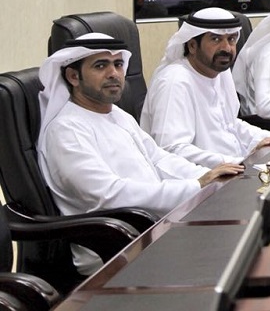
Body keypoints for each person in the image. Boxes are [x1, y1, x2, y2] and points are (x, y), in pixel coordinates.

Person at [37, 33, 242, 274]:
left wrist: (210, 176)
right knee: (229, 254)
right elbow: (109, 194)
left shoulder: (116, 114)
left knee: (241, 236)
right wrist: (195, 186)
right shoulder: (66, 130)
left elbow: (159, 159)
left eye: (118, 64)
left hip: (155, 227)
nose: (114, 73)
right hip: (116, 248)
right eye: (101, 66)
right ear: (73, 76)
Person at [141, 8, 270, 167]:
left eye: (232, 39)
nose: (226, 48)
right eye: (216, 39)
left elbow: (230, 124)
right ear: (192, 46)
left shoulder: (220, 71)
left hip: (233, 169)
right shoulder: (174, 82)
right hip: (201, 178)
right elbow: (172, 149)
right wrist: (236, 162)